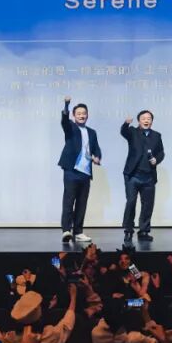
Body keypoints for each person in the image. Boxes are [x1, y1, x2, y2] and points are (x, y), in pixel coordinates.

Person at [57, 96, 101, 243]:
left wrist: (97, 157)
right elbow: (64, 120)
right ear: (74, 115)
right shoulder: (70, 127)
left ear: (87, 115)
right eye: (79, 113)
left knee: (82, 203)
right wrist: (66, 105)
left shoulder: (92, 132)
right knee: (69, 201)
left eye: (84, 113)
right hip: (71, 170)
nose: (82, 115)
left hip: (86, 172)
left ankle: (78, 232)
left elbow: (96, 149)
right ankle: (66, 231)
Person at [120, 110, 165, 244]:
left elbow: (161, 152)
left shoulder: (156, 135)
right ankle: (128, 230)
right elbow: (124, 132)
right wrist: (126, 124)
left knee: (147, 204)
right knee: (131, 202)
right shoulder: (132, 132)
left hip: (149, 176)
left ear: (152, 121)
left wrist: (157, 159)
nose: (146, 120)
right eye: (143, 118)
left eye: (149, 118)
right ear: (139, 121)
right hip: (133, 175)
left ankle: (144, 231)